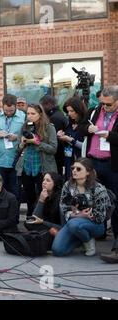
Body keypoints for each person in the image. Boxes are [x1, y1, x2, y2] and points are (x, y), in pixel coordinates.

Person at [77, 86, 118, 263]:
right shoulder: (94, 111)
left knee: (116, 203)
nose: (105, 107)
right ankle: (98, 233)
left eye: (109, 105)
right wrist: (89, 130)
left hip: (113, 165)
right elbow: (80, 129)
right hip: (94, 163)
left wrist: (108, 135)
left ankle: (116, 246)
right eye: (102, 103)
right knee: (93, 200)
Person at [52, 158, 111, 257]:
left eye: (78, 169)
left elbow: (100, 217)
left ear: (88, 172)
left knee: (74, 224)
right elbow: (63, 208)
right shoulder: (68, 185)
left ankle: (88, 241)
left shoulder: (98, 188)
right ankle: (82, 239)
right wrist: (79, 214)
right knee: (58, 250)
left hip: (95, 225)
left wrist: (77, 215)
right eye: (73, 168)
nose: (74, 170)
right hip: (73, 222)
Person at [15, 103, 58, 216]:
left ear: (40, 114)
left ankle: (42, 220)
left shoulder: (49, 127)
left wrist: (37, 143)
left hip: (42, 167)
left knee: (43, 195)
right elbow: (17, 149)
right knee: (29, 196)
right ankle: (30, 220)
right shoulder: (24, 127)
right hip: (26, 166)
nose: (29, 116)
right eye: (28, 113)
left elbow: (53, 149)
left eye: (33, 113)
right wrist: (23, 143)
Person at [0, 94, 25, 204]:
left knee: (15, 193)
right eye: (6, 110)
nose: (9, 113)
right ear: (2, 106)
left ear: (16, 106)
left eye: (11, 110)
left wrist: (17, 137)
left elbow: (31, 136)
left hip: (16, 162)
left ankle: (14, 219)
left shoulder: (23, 117)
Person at [57, 97, 87, 181]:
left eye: (72, 111)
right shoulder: (70, 124)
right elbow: (67, 141)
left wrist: (71, 140)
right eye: (68, 111)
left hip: (80, 162)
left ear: (79, 110)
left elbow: (86, 146)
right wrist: (61, 136)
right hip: (68, 160)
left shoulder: (86, 124)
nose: (69, 114)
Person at [39, 95, 69, 175]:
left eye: (42, 105)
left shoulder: (54, 118)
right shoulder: (57, 114)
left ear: (49, 105)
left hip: (57, 154)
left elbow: (54, 139)